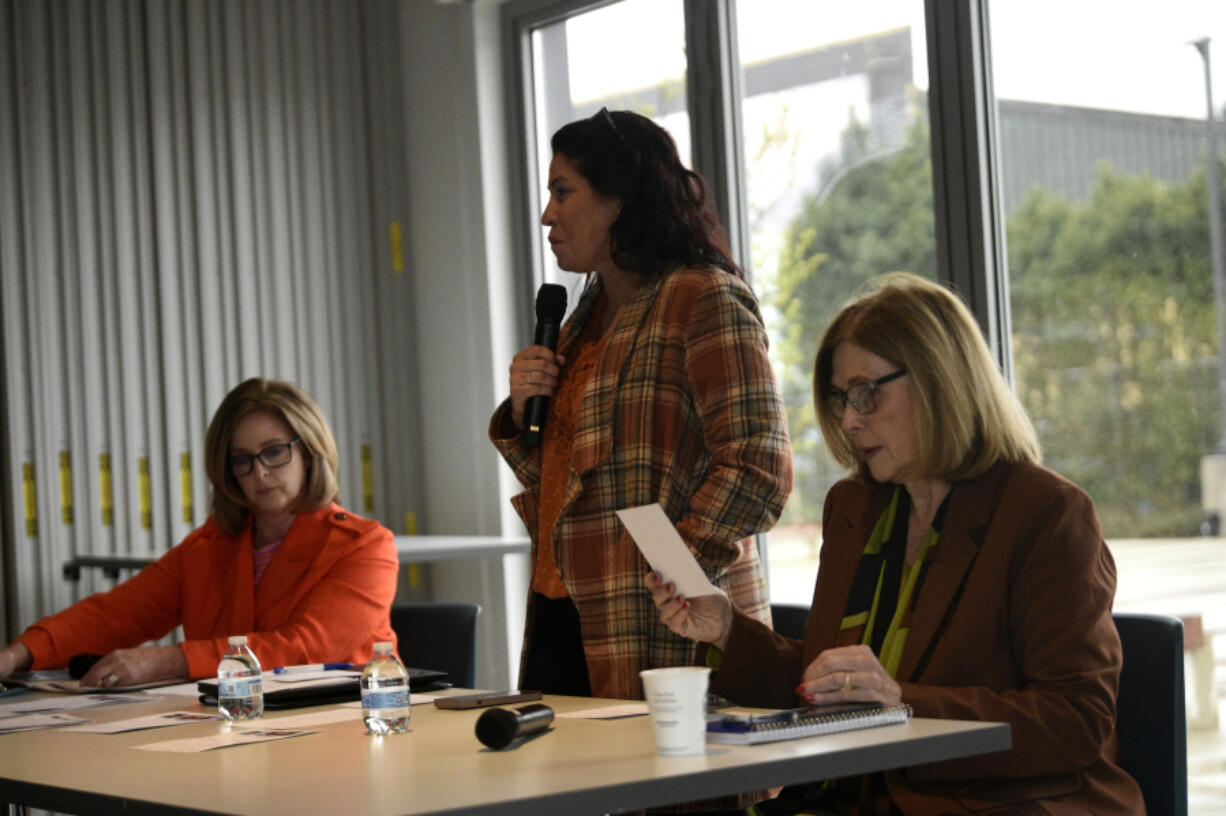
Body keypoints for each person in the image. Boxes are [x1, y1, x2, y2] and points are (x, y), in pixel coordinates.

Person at [648, 273, 1145, 814]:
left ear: (940, 380)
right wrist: (726, 627)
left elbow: (1076, 721)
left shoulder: (1046, 512)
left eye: (866, 393)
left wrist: (901, 704)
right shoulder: (856, 508)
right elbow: (827, 689)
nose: (848, 420)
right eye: (841, 399)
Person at [490, 108, 792, 702]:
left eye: (562, 191)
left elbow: (758, 466)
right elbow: (574, 487)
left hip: (665, 623)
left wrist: (676, 571)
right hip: (562, 613)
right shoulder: (582, 315)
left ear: (620, 197)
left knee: (668, 795)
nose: (548, 214)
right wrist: (526, 413)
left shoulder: (702, 297)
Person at [0, 377, 399, 687]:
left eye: (275, 452)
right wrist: (20, 653)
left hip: (342, 735)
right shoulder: (210, 547)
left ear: (310, 451)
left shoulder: (366, 546)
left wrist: (169, 660)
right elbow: (117, 614)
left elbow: (305, 650)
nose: (259, 472)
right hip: (231, 733)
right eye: (242, 460)